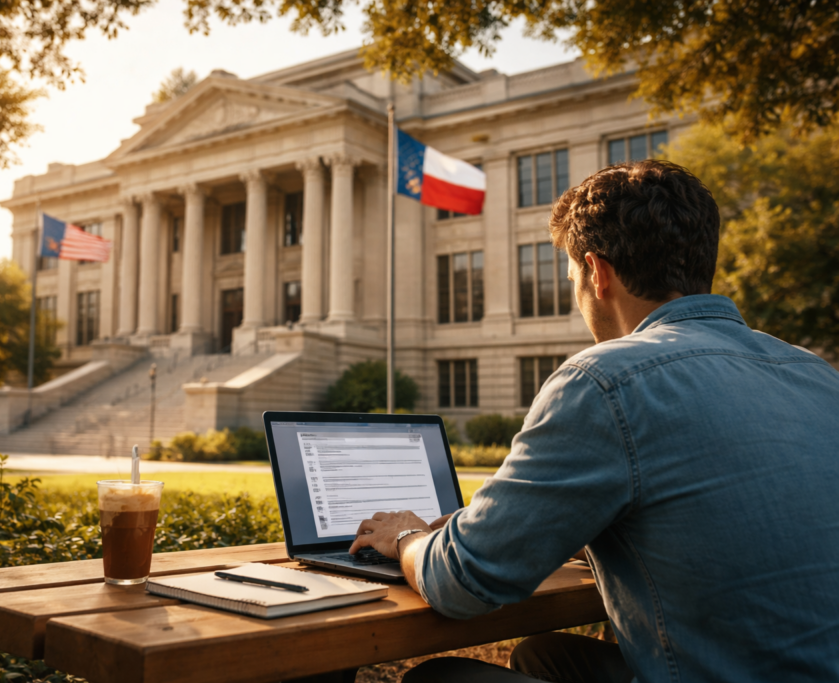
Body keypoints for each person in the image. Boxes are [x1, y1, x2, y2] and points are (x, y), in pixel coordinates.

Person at [349, 160, 839, 683]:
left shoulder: (605, 379)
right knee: (547, 657)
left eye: (571, 279)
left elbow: (461, 580)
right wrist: (526, 527)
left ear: (597, 273)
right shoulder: (816, 373)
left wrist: (406, 537)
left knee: (440, 680)